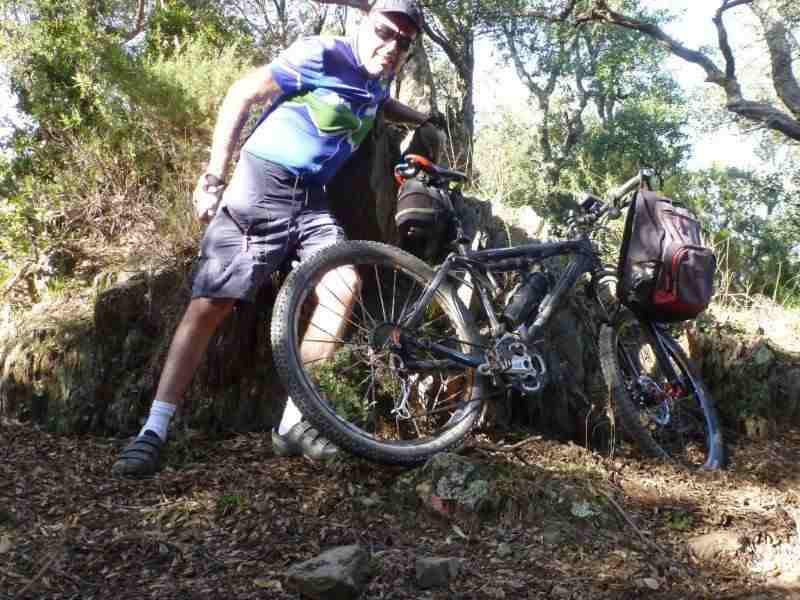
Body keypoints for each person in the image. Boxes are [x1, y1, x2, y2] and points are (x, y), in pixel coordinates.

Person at [112, 0, 438, 478]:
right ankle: (153, 431)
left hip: (313, 201)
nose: (392, 48)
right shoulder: (323, 52)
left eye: (403, 43)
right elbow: (242, 93)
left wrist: (422, 118)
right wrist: (211, 177)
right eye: (386, 32)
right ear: (366, 23)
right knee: (211, 303)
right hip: (261, 184)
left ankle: (294, 423)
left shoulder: (376, 75)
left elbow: (377, 101)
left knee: (344, 284)